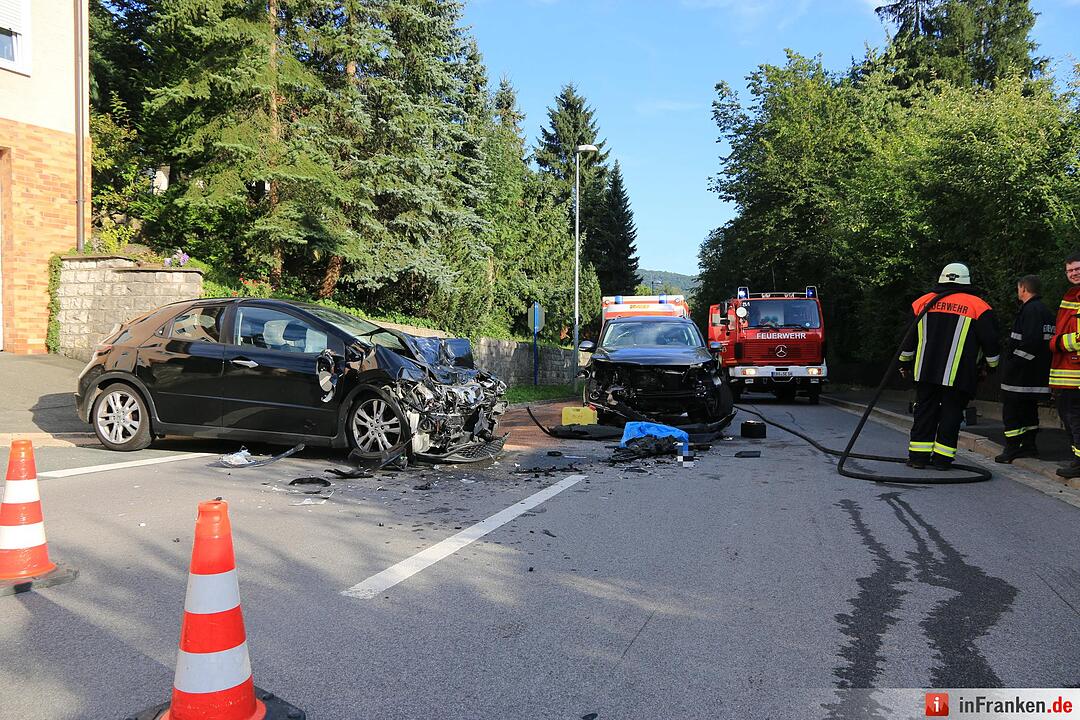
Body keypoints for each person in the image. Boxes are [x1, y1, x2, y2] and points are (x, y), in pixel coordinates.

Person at [898, 263, 1001, 469]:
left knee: (924, 411)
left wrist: (904, 364)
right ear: (966, 280)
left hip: (925, 371)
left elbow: (907, 340)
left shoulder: (921, 303)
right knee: (951, 414)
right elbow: (991, 342)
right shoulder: (978, 306)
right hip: (959, 374)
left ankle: (918, 458)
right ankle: (942, 460)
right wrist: (991, 367)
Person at [996, 275, 1055, 463]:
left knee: (1012, 412)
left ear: (1023, 289)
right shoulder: (1045, 310)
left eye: (1018, 288)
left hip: (1021, 375)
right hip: (1036, 374)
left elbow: (1031, 342)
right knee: (1029, 410)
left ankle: (1012, 448)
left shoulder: (1030, 310)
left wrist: (1013, 364)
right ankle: (1029, 447)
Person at [1049, 252, 1080, 478]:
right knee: (1069, 417)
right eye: (1070, 270)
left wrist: (1058, 343)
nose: (1074, 273)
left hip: (1075, 371)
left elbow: (1071, 336)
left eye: (1077, 269)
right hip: (1066, 373)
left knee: (1075, 418)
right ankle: (1077, 460)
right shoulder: (1071, 295)